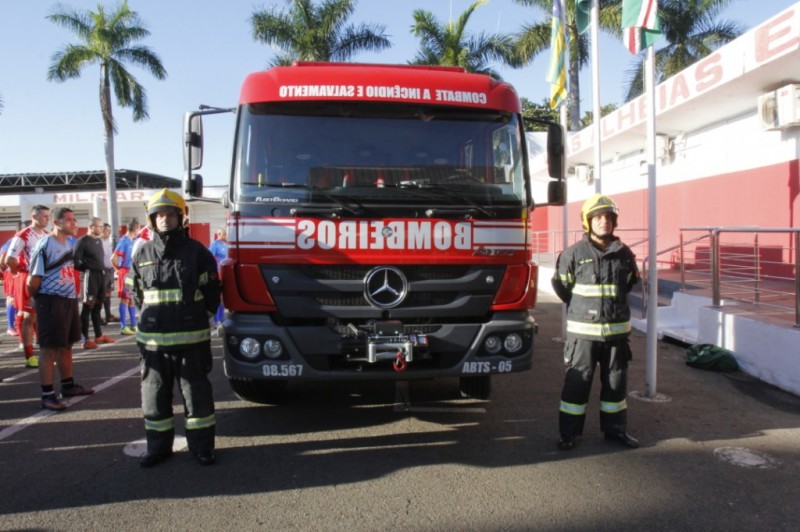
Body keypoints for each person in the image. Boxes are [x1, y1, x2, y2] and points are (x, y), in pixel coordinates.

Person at [131, 189, 221, 467]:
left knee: (197, 398)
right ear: (151, 219)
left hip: (190, 341)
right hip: (153, 344)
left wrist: (196, 318)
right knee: (154, 397)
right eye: (159, 214)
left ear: (181, 217)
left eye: (170, 213)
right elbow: (137, 295)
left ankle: (202, 448)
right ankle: (158, 448)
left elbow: (212, 292)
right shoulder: (142, 252)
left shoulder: (198, 253)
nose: (164, 219)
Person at [551, 194, 640, 451]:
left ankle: (615, 431)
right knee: (577, 385)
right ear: (588, 222)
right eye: (598, 217)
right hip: (583, 336)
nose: (604, 222)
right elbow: (562, 287)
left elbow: (630, 283)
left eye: (609, 217)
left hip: (616, 336)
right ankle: (569, 433)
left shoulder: (624, 254)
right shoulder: (573, 255)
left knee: (615, 385)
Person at [27, 207, 94, 411]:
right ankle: (47, 394)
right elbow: (33, 279)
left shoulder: (68, 244)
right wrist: (38, 300)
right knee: (49, 348)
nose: (74, 223)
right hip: (51, 301)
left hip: (68, 300)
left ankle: (68, 385)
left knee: (67, 345)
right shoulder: (45, 244)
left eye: (75, 219)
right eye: (69, 220)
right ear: (56, 223)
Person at [2, 205, 50, 369]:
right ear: (34, 217)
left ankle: (43, 351)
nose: (47, 219)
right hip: (27, 278)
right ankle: (29, 356)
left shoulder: (46, 235)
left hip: (42, 279)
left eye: (48, 216)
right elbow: (9, 259)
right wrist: (18, 274)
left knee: (40, 316)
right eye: (44, 216)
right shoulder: (23, 235)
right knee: (28, 317)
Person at [73, 217, 115, 349]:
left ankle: (99, 336)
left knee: (97, 307)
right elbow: (75, 261)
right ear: (91, 226)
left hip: (100, 275)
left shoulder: (98, 240)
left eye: (102, 226)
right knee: (87, 307)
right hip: (90, 276)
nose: (101, 229)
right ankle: (85, 339)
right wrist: (88, 269)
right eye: (99, 227)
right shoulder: (82, 242)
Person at [112, 219, 140, 335]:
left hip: (130, 272)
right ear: (135, 228)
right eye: (138, 228)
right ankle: (123, 326)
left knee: (130, 298)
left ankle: (134, 324)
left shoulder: (132, 241)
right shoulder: (123, 241)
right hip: (125, 272)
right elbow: (113, 257)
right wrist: (118, 270)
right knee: (125, 298)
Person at [208, 227, 228, 330]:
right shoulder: (215, 244)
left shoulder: (228, 244)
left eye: (222, 233)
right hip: (219, 273)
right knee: (218, 297)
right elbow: (209, 257)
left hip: (227, 273)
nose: (220, 235)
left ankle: (222, 318)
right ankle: (217, 320)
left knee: (224, 297)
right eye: (218, 234)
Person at [0, 237, 19, 337]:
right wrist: (5, 271)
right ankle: (11, 326)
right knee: (12, 298)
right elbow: (2, 258)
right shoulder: (13, 241)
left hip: (20, 272)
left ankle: (15, 324)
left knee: (21, 299)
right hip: (12, 273)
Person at [101, 223, 118, 324]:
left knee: (108, 292)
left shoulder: (108, 241)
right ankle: (99, 316)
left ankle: (108, 315)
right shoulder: (98, 241)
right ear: (102, 230)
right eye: (108, 230)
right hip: (103, 270)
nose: (110, 232)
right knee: (101, 293)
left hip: (110, 269)